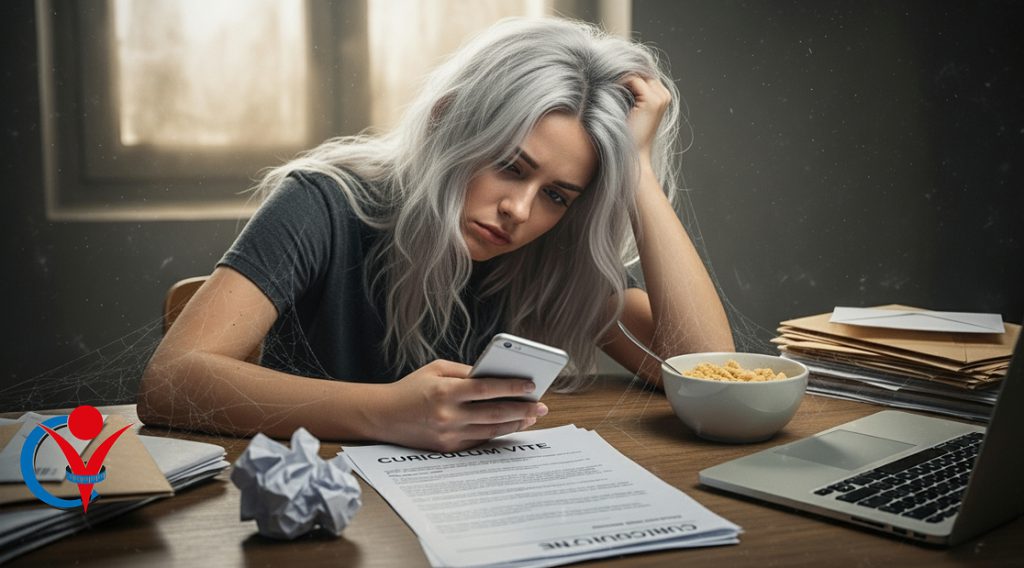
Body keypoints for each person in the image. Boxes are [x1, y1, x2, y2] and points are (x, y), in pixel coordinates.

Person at [137, 17, 734, 451]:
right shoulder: (325, 203)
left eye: (557, 195)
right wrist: (387, 413)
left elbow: (713, 376)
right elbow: (170, 381)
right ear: (449, 122)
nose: (519, 211)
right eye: (510, 165)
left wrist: (638, 174)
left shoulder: (551, 257)